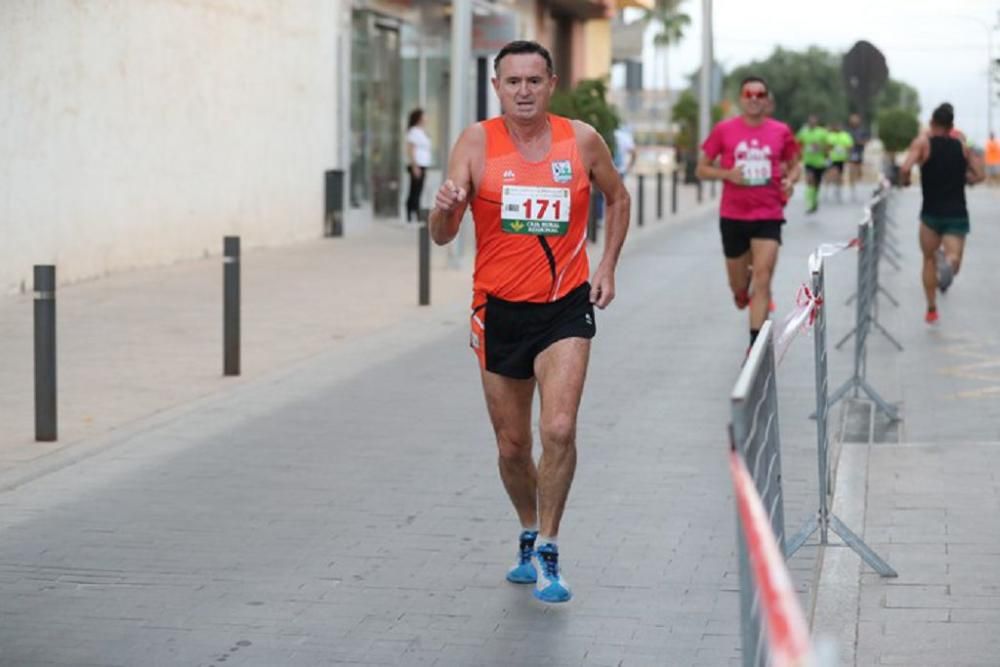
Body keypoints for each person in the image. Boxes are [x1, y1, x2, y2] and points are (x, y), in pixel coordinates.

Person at [428, 40, 630, 603]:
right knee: (513, 445)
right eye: (512, 81)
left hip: (565, 305)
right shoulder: (475, 142)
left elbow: (619, 197)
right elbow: (442, 234)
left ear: (551, 84)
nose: (523, 91)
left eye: (533, 81)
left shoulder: (581, 139)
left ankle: (548, 544)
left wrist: (607, 266)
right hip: (498, 310)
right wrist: (444, 207)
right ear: (497, 87)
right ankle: (525, 525)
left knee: (559, 429)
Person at [696, 75, 800, 348]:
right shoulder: (724, 130)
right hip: (733, 215)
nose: (754, 99)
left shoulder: (781, 131)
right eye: (748, 94)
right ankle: (741, 292)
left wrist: (792, 180)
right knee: (739, 286)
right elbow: (701, 168)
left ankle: (755, 351)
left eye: (760, 94)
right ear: (742, 99)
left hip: (769, 214)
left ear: (766, 99)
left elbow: (795, 164)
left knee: (763, 278)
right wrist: (728, 174)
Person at [900, 103, 984, 324]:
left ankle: (931, 309)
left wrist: (906, 181)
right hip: (956, 214)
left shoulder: (923, 144)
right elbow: (980, 174)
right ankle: (947, 262)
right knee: (954, 260)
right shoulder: (962, 146)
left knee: (927, 259)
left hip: (930, 214)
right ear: (951, 126)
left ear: (931, 123)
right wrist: (967, 179)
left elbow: (905, 168)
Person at [796, 114, 829, 213]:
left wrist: (820, 148)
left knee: (817, 184)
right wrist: (799, 153)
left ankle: (815, 201)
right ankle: (809, 202)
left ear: (817, 122)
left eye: (814, 121)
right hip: (808, 161)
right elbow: (797, 143)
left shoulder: (822, 132)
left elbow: (828, 147)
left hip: (819, 162)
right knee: (810, 180)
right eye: (811, 121)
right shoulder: (803, 132)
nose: (812, 122)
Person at [405, 108, 433, 222]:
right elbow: (410, 149)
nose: (426, 118)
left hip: (424, 164)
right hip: (417, 165)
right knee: (414, 190)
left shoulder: (423, 132)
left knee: (419, 190)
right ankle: (411, 214)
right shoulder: (413, 131)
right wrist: (414, 166)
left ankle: (415, 213)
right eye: (424, 116)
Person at [825, 121, 853, 202]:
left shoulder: (845, 135)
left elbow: (849, 146)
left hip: (841, 159)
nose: (838, 128)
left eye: (839, 126)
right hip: (832, 158)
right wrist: (831, 149)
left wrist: (846, 151)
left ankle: (838, 189)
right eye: (837, 126)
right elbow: (827, 146)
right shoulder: (830, 135)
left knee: (840, 175)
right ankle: (827, 190)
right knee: (832, 173)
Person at [846, 113, 869, 197]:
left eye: (856, 119)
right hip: (851, 153)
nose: (854, 121)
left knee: (859, 171)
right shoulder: (848, 130)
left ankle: (857, 184)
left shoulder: (862, 130)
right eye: (852, 119)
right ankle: (852, 189)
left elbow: (866, 140)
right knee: (852, 169)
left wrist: (861, 142)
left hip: (859, 152)